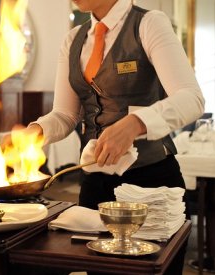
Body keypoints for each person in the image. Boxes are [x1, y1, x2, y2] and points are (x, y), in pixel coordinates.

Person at [22, 0, 205, 274]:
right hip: (95, 184)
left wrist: (135, 123)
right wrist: (35, 132)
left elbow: (192, 99)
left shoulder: (149, 23)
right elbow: (65, 114)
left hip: (151, 182)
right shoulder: (73, 39)